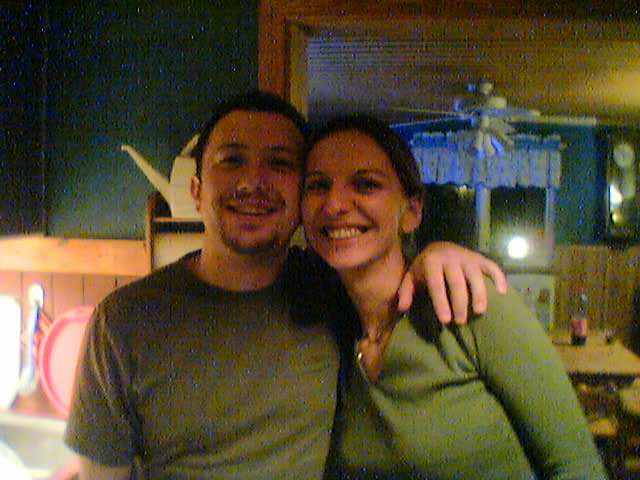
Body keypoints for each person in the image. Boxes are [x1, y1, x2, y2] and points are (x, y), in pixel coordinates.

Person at [64, 91, 506, 480]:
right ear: (196, 191)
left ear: (301, 197)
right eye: (232, 160)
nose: (253, 182)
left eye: (279, 163)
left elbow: (388, 271)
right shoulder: (124, 320)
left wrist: (437, 253)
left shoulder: (332, 290)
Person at [301, 114, 607, 479]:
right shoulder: (325, 327)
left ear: (412, 211)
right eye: (318, 185)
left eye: (366, 184)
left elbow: (576, 466)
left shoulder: (474, 301)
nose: (334, 204)